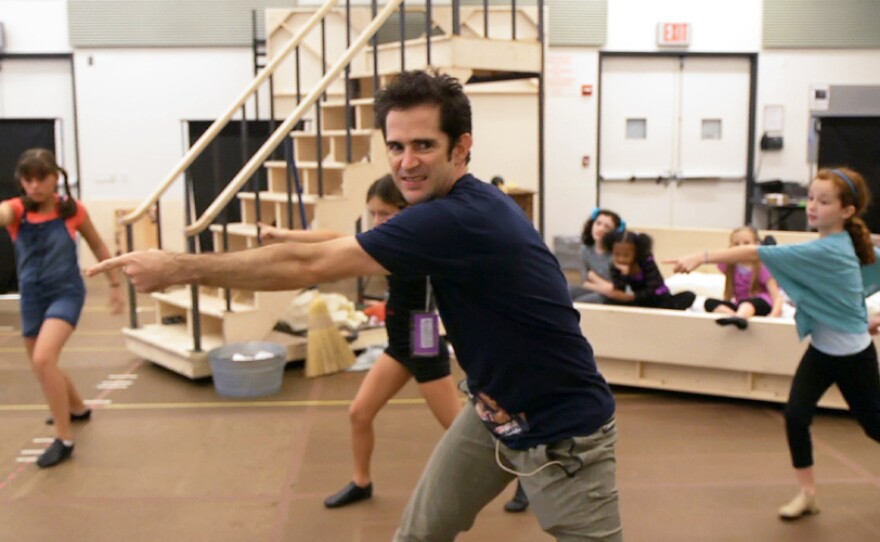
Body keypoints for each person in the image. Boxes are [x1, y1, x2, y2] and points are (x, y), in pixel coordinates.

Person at [90, 70, 622, 540]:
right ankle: (367, 478)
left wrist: (178, 266)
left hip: (564, 434)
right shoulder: (438, 211)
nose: (406, 163)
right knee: (416, 533)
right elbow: (325, 249)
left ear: (462, 148)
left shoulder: (456, 217)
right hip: (493, 413)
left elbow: (308, 268)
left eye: (423, 146)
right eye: (395, 147)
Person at [668, 167, 880, 520]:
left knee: (875, 426)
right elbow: (850, 289)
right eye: (811, 198)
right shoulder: (844, 246)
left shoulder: (832, 250)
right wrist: (867, 316)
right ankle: (808, 494)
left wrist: (701, 257)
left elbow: (756, 253)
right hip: (822, 351)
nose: (812, 206)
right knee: (796, 415)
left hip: (853, 356)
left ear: (847, 211)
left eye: (823, 201)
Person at [258, 175, 462, 508]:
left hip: (423, 342)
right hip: (399, 342)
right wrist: (283, 234)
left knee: (459, 432)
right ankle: (361, 482)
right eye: (374, 214)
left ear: (407, 209)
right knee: (359, 413)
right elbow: (336, 239)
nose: (379, 222)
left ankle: (522, 478)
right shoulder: (386, 241)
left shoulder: (420, 242)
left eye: (386, 214)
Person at [0, 148, 124, 468]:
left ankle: (64, 439)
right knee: (44, 364)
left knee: (43, 358)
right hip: (31, 297)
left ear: (56, 177)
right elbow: (4, 213)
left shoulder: (72, 211)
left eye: (42, 178)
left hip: (65, 293)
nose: (35, 186)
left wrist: (114, 283)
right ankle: (78, 408)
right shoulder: (17, 211)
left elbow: (97, 244)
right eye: (28, 180)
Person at [703, 225, 784, 330]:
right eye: (736, 244)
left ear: (756, 245)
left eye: (746, 243)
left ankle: (740, 317)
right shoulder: (731, 266)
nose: (741, 247)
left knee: (747, 304)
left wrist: (773, 316)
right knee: (709, 303)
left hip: (762, 304)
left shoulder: (762, 267)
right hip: (740, 305)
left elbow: (777, 297)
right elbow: (718, 257)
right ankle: (735, 317)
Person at [599, 230, 695, 311]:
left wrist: (633, 295)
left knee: (688, 296)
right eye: (617, 254)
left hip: (657, 298)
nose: (621, 259)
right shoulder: (615, 266)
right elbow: (619, 288)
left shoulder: (647, 262)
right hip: (636, 302)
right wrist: (624, 275)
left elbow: (654, 287)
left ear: (636, 253)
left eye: (626, 255)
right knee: (608, 301)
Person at [568, 208, 624, 304]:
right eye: (598, 223)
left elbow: (614, 290)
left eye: (607, 227)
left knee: (581, 303)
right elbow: (582, 281)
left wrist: (592, 276)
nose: (601, 229)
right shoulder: (584, 250)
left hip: (610, 298)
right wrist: (602, 286)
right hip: (595, 290)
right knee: (567, 291)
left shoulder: (617, 256)